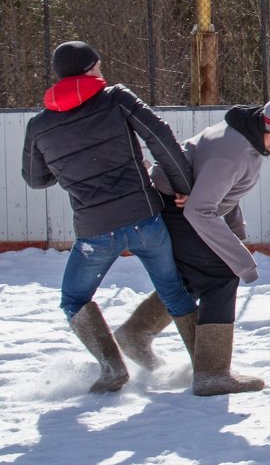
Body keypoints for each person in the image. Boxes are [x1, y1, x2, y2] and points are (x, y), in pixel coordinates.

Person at [21, 40, 196, 393]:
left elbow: (35, 178)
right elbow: (160, 138)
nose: (102, 72)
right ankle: (207, 367)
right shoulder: (117, 98)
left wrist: (69, 166)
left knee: (73, 299)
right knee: (174, 291)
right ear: (89, 69)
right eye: (98, 66)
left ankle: (112, 367)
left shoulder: (39, 125)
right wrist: (185, 185)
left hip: (94, 233)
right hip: (145, 220)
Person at [151, 95, 270, 396]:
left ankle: (135, 334)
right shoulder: (235, 152)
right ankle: (212, 375)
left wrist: (234, 228)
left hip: (178, 207)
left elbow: (221, 193)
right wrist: (242, 260)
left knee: (192, 278)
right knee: (221, 276)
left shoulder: (246, 141)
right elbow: (199, 210)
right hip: (175, 210)